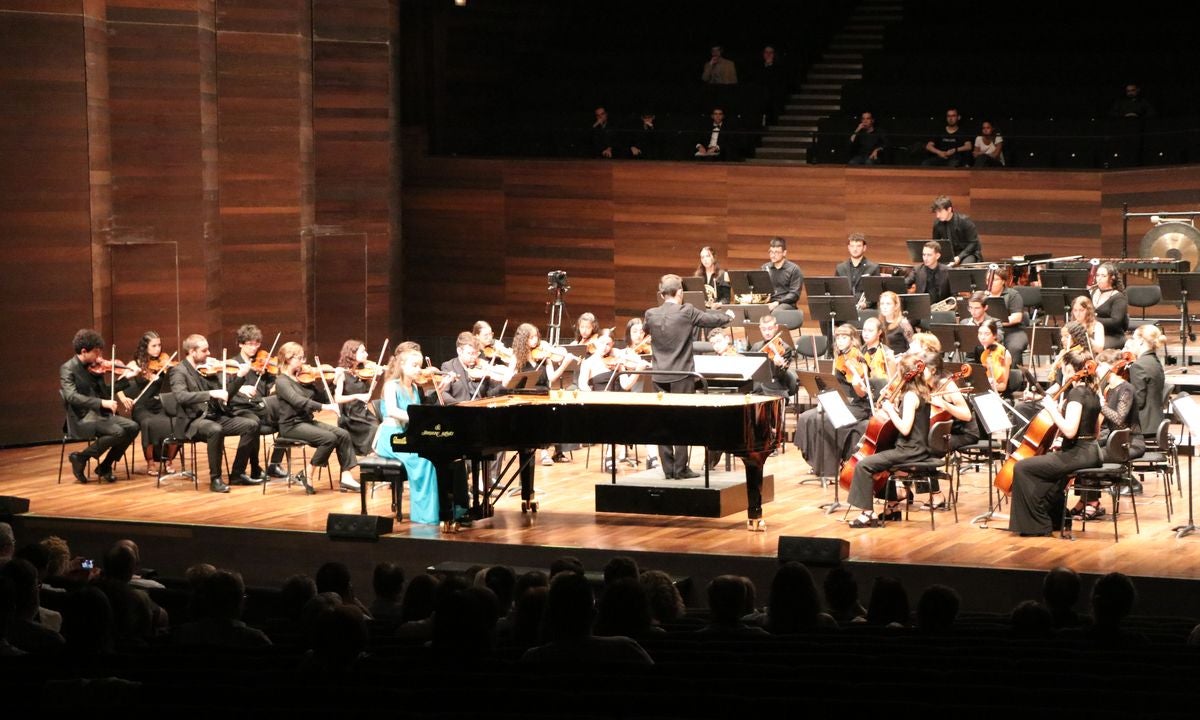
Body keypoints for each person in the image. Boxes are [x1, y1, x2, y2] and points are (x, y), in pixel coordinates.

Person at [644, 274, 734, 481]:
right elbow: (710, 319)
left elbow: (646, 330)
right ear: (680, 293)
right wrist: (728, 316)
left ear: (661, 294)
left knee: (662, 422)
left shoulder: (651, 313)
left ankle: (668, 469)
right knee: (682, 422)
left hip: (658, 375)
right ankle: (681, 468)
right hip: (682, 375)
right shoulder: (687, 311)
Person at [1008, 350, 1102, 536]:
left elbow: (1069, 430)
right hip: (1090, 452)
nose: (1063, 374)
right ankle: (1056, 520)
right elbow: (1096, 430)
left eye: (1065, 369)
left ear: (1072, 370)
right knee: (1044, 471)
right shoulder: (1093, 392)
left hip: (1079, 454)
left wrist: (1053, 409)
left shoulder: (1076, 393)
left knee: (1022, 467)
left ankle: (1037, 525)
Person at [846, 354, 932, 528]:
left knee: (864, 465)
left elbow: (906, 428)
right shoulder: (923, 392)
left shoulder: (910, 396)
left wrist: (890, 410)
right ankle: (892, 507)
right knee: (880, 460)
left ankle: (867, 514)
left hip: (909, 450)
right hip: (917, 448)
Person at [168, 334, 260, 493]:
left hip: (214, 416)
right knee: (215, 430)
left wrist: (239, 377)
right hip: (194, 421)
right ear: (192, 351)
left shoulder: (209, 370)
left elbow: (225, 395)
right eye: (204, 350)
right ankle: (215, 479)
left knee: (251, 425)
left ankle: (237, 473)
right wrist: (211, 393)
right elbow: (181, 397)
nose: (209, 353)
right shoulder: (179, 371)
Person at [273, 341, 361, 493]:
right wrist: (325, 408)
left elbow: (322, 398)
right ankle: (308, 473)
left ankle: (346, 477)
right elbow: (298, 401)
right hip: (290, 426)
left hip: (306, 422)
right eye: (299, 358)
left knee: (343, 434)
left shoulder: (302, 378)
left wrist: (333, 384)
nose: (303, 362)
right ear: (288, 359)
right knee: (329, 438)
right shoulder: (281, 381)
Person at [1070, 349, 1145, 520]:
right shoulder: (1108, 388)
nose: (1095, 369)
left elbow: (1119, 419)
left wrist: (1098, 404)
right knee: (1082, 452)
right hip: (1113, 441)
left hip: (1130, 443)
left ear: (1109, 366)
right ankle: (1084, 500)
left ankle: (1093, 503)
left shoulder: (1126, 388)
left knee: (1091, 457)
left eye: (1099, 366)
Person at [795, 324, 877, 479]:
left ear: (852, 340)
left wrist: (856, 379)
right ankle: (816, 462)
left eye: (844, 337)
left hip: (858, 405)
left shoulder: (857, 358)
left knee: (825, 420)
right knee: (807, 417)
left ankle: (829, 469)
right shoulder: (839, 356)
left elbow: (861, 392)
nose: (840, 341)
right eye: (838, 337)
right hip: (843, 402)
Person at [60, 328, 140, 484]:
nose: (100, 357)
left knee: (133, 427)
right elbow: (71, 396)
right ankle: (81, 457)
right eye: (96, 353)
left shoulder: (94, 367)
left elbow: (105, 392)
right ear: (84, 351)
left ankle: (104, 466)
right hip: (82, 418)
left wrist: (126, 379)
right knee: (118, 432)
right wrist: (101, 403)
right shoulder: (68, 369)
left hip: (100, 415)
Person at [374, 346, 442, 524]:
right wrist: (417, 418)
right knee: (423, 460)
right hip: (391, 436)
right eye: (414, 365)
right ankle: (425, 515)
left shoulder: (414, 388)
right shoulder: (391, 386)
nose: (418, 369)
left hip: (407, 434)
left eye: (419, 365)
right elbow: (392, 411)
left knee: (436, 456)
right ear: (402, 365)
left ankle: (442, 509)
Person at [225, 324, 288, 484]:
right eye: (250, 344)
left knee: (289, 418)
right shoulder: (232, 364)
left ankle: (274, 463)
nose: (254, 348)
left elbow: (268, 390)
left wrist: (275, 384)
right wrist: (241, 388)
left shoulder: (262, 364)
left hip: (259, 406)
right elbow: (227, 391)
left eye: (256, 344)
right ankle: (248, 469)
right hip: (239, 408)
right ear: (240, 344)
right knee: (254, 422)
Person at [510, 323, 575, 466]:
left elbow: (551, 378)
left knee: (550, 417)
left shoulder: (544, 356)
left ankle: (545, 451)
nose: (535, 340)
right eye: (531, 337)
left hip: (543, 393)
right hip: (525, 397)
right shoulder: (517, 357)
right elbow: (508, 380)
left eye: (536, 337)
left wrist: (564, 364)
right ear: (523, 340)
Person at [120, 330, 180, 475]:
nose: (158, 349)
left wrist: (171, 370)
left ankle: (169, 460)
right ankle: (150, 462)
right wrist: (123, 399)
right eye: (153, 346)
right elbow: (118, 383)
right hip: (142, 406)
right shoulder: (135, 364)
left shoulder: (164, 361)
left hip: (161, 404)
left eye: (159, 345)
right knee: (147, 423)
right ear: (145, 347)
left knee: (176, 421)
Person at [333, 339, 381, 456]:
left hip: (363, 413)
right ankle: (370, 460)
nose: (367, 354)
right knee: (374, 429)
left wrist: (376, 377)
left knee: (381, 429)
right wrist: (357, 396)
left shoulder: (362, 372)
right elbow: (337, 399)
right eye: (363, 351)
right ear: (352, 353)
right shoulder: (342, 374)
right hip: (350, 417)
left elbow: (369, 393)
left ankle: (372, 461)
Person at [1127, 323, 1165, 449]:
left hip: (1143, 426)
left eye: (1133, 339)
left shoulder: (1138, 366)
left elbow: (1138, 401)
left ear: (1141, 341)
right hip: (1157, 422)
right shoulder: (1155, 362)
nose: (1131, 342)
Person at [750, 314, 799, 398]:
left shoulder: (785, 349)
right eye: (764, 329)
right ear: (760, 328)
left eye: (770, 329)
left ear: (776, 327)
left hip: (775, 390)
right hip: (757, 390)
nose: (767, 332)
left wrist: (776, 365)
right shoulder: (756, 346)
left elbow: (780, 376)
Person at [930, 195, 983, 265]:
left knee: (965, 267)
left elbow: (973, 243)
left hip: (968, 253)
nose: (937, 215)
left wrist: (959, 257)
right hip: (950, 255)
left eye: (940, 212)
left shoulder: (964, 221)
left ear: (949, 209)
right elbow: (936, 243)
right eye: (936, 212)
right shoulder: (937, 224)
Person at [988, 269, 1028, 362]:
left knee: (1014, 347)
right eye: (988, 280)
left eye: (994, 279)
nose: (991, 282)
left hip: (1013, 331)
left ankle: (1014, 374)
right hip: (989, 331)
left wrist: (995, 323)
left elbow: (1017, 318)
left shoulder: (1013, 295)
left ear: (1003, 281)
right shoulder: (983, 295)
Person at [1090, 262, 1128, 349]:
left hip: (1113, 335)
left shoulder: (1118, 297)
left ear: (1112, 278)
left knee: (1094, 346)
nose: (1099, 279)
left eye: (1103, 276)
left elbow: (1116, 322)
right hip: (1095, 333)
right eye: (1097, 275)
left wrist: (1092, 320)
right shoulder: (1092, 292)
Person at [904, 240, 952, 305]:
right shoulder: (917, 269)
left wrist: (948, 306)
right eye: (924, 255)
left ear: (937, 256)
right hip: (922, 306)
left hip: (942, 309)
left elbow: (954, 294)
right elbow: (905, 283)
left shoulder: (947, 271)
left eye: (929, 255)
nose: (925, 258)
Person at [762, 236, 803, 311]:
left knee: (777, 311)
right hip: (769, 302)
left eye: (776, 252)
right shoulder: (765, 267)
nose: (773, 255)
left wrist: (777, 302)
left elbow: (794, 294)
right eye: (771, 252)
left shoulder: (794, 269)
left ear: (784, 253)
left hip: (786, 304)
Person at [835, 232, 880, 301]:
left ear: (864, 248)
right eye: (852, 246)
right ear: (848, 248)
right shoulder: (840, 268)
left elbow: (876, 293)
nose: (855, 249)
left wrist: (866, 304)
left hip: (864, 309)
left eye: (858, 246)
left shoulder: (873, 268)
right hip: (845, 305)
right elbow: (836, 290)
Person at [976, 319, 1013, 396]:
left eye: (986, 334)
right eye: (980, 333)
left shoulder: (1004, 353)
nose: (982, 337)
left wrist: (986, 385)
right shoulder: (978, 350)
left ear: (994, 335)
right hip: (983, 392)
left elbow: (1003, 386)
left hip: (1001, 395)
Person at [877, 290, 913, 355]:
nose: (884, 307)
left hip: (899, 361)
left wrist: (901, 357)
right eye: (882, 304)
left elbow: (914, 348)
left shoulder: (903, 324)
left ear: (896, 306)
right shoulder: (879, 323)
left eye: (888, 304)